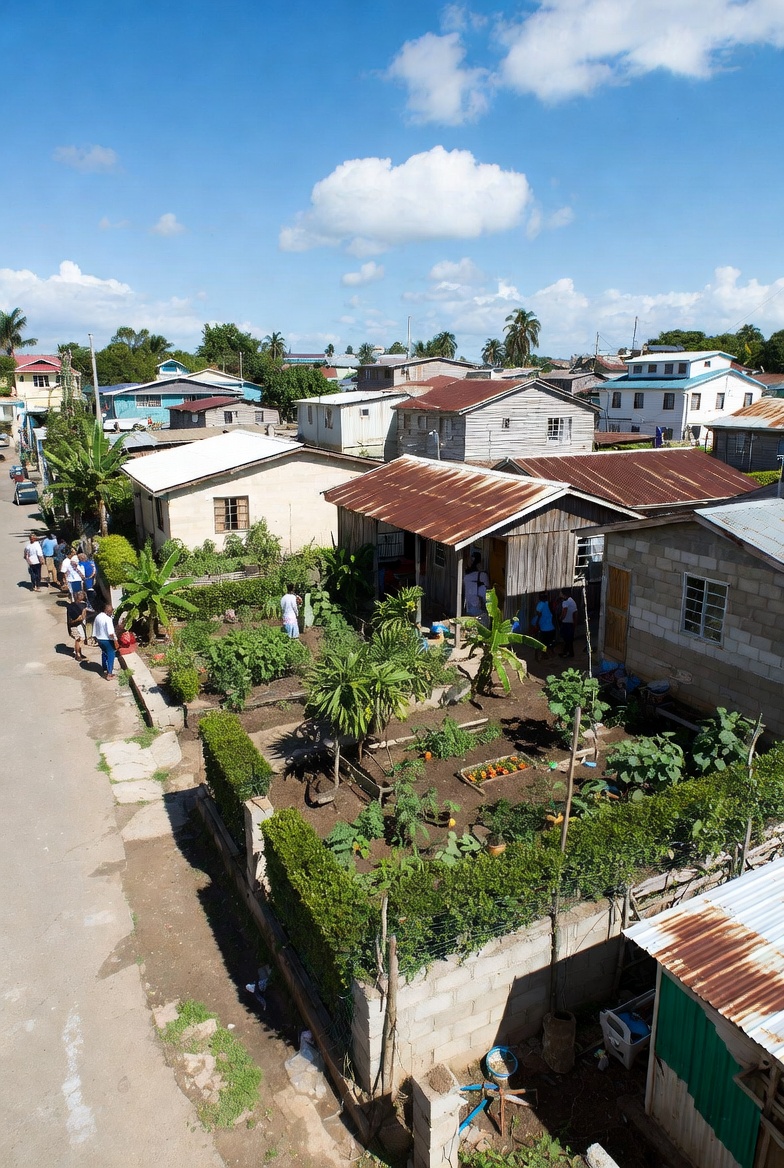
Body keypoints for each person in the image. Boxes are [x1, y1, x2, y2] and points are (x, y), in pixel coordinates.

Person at [93, 602, 119, 679]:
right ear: (107, 611)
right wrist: (115, 641)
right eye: (111, 611)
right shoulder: (108, 619)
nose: (112, 613)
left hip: (99, 639)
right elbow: (111, 633)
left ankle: (104, 668)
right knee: (111, 654)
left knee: (104, 652)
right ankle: (109, 674)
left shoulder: (98, 616)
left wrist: (94, 637)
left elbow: (95, 628)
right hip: (107, 640)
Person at [530, 591, 556, 660]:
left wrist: (536, 624)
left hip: (544, 628)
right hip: (552, 627)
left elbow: (539, 615)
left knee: (543, 643)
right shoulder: (549, 604)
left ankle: (545, 655)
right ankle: (551, 653)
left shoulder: (540, 604)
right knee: (550, 642)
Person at [66, 589, 88, 661]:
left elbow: (83, 616)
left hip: (80, 624)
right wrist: (78, 619)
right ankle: (77, 654)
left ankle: (79, 653)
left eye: (82, 595)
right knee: (78, 639)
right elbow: (72, 618)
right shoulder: (72, 606)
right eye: (80, 595)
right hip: (75, 625)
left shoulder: (84, 604)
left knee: (80, 639)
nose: (81, 596)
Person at [559, 590, 578, 658]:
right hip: (571, 623)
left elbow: (564, 612)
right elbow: (575, 613)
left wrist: (561, 618)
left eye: (560, 593)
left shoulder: (565, 602)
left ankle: (567, 653)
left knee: (567, 639)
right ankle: (567, 652)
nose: (559, 594)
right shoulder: (571, 600)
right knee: (569, 639)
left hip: (566, 623)